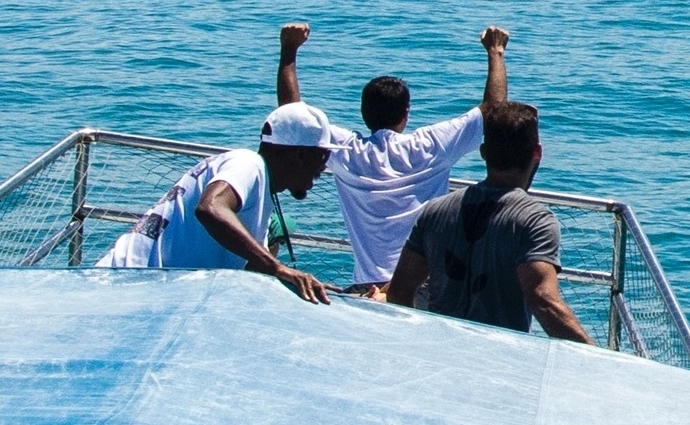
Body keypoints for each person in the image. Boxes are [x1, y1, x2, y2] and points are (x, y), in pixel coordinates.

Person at [277, 21, 509, 297]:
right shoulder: (429, 146)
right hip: (425, 285)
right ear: (406, 113)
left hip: (368, 287)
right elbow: (493, 111)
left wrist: (289, 50)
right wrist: (495, 52)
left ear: (364, 114)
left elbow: (292, 116)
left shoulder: (349, 152)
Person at [385, 101, 592, 342]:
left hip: (439, 354)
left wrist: (416, 340)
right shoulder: (535, 220)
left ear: (483, 152)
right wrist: (595, 355)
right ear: (537, 153)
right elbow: (543, 300)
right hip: (499, 361)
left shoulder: (435, 211)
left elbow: (399, 291)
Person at [100, 101, 340, 304]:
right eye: (323, 155)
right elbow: (210, 208)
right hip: (122, 282)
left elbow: (248, 269)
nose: (325, 165)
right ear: (299, 154)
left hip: (144, 289)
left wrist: (302, 285)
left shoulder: (260, 193)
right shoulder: (248, 164)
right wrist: (279, 267)